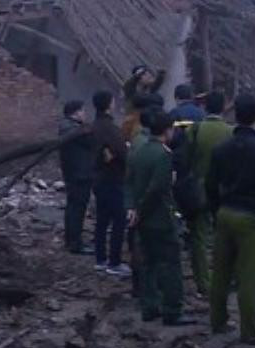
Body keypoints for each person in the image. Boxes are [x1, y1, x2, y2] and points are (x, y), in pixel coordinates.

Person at [207, 93, 255, 344]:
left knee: (220, 272)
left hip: (225, 212)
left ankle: (218, 320)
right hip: (252, 216)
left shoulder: (221, 148)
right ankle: (251, 330)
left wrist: (216, 210)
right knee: (249, 276)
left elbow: (210, 185)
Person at [126, 109, 195, 326]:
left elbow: (129, 181)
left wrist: (132, 209)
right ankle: (172, 309)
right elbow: (157, 189)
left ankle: (149, 306)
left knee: (148, 263)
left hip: (142, 218)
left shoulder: (139, 151)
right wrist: (140, 211)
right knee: (170, 265)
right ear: (168, 130)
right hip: (160, 218)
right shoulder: (164, 155)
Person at [185, 91, 234, 297]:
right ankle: (226, 278)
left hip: (199, 189)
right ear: (223, 107)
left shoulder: (195, 130)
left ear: (205, 107)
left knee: (199, 236)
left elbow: (186, 160)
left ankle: (203, 283)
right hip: (226, 190)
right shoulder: (231, 132)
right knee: (226, 236)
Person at [91, 90, 129, 275]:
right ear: (108, 104)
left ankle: (100, 258)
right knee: (119, 220)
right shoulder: (110, 128)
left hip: (98, 178)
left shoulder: (94, 125)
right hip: (113, 178)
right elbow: (121, 152)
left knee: (102, 220)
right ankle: (114, 261)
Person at [58, 100, 97, 255]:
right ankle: (75, 243)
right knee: (77, 209)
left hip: (72, 173)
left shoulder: (65, 127)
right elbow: (92, 143)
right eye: (82, 111)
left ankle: (71, 240)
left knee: (72, 207)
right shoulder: (75, 131)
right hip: (80, 174)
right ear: (75, 113)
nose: (84, 114)